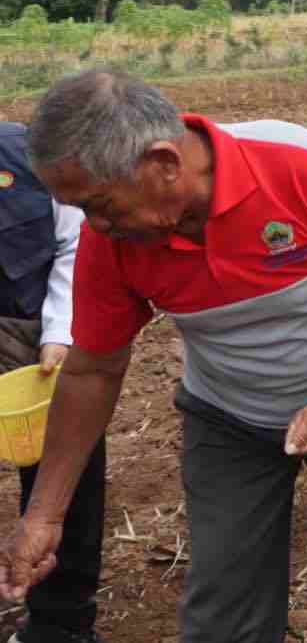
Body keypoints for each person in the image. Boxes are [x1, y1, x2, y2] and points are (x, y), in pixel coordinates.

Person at [0, 71, 307, 643]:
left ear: (163, 162)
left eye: (101, 205)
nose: (96, 226)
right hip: (228, 412)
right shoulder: (112, 241)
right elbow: (92, 369)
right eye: (80, 210)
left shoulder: (297, 164)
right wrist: (43, 516)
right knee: (224, 601)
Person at [0, 123, 104, 643]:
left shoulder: (30, 156)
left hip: (30, 334)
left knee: (63, 470)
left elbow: (74, 241)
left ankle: (59, 623)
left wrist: (61, 329)